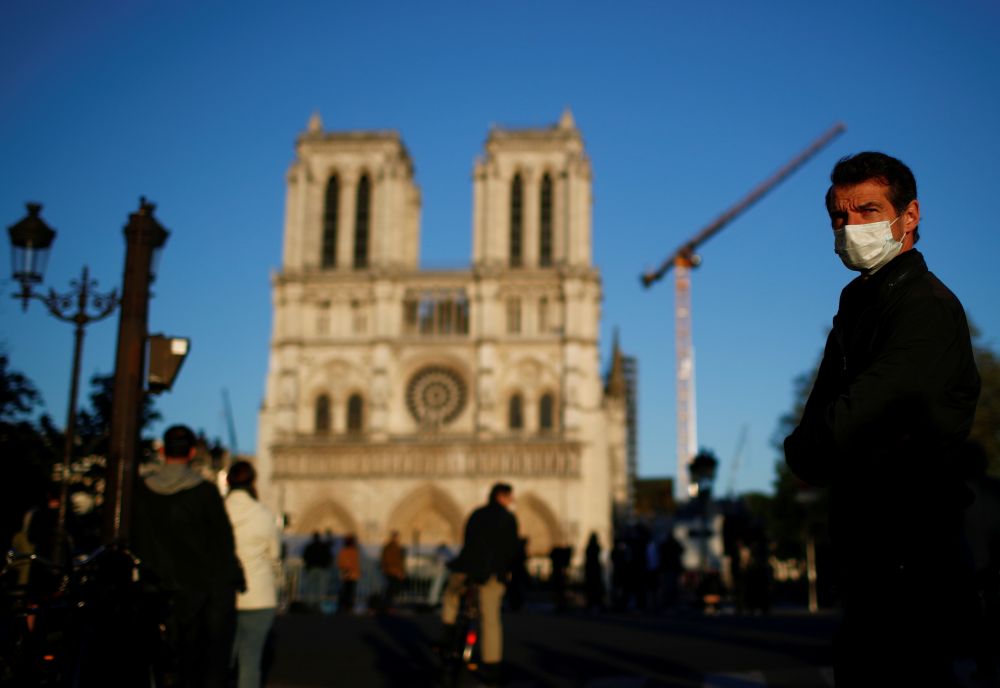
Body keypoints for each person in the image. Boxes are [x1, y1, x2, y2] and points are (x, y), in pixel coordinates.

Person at [783, 152, 981, 686]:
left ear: (908, 216)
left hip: (912, 529)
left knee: (904, 667)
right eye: (840, 217)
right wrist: (809, 443)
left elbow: (874, 399)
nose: (852, 228)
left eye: (868, 211)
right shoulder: (858, 301)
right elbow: (824, 402)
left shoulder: (927, 305)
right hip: (869, 530)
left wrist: (809, 446)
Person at [132, 425, 244, 688]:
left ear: (161, 451)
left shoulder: (141, 491)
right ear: (193, 452)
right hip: (195, 595)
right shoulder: (205, 492)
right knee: (192, 663)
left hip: (152, 590)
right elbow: (223, 544)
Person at [438, 483, 519, 687]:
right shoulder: (508, 519)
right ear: (502, 496)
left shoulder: (476, 514)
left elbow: (467, 541)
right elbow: (511, 551)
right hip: (491, 574)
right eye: (510, 497)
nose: (512, 501)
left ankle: (447, 631)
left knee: (450, 595)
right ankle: (492, 668)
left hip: (467, 569)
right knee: (490, 618)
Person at [225, 461, 280, 688]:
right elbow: (274, 554)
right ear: (253, 482)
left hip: (225, 594)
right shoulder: (264, 515)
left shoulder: (218, 511)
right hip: (259, 596)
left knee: (222, 658)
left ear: (228, 481)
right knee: (251, 659)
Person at [301, 531, 332, 610]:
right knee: (321, 588)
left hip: (311, 569)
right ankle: (319, 604)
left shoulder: (309, 547)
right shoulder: (323, 547)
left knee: (311, 587)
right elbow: (329, 556)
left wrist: (308, 566)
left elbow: (305, 557)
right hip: (322, 569)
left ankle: (310, 604)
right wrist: (326, 565)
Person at [379, 530, 406, 612]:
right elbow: (393, 561)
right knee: (391, 590)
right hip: (392, 572)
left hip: (391, 571)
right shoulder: (392, 548)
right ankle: (388, 606)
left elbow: (398, 561)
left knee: (391, 590)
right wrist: (399, 572)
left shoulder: (391, 547)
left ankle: (388, 606)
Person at [336, 534, 361, 614]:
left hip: (346, 574)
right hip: (353, 575)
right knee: (351, 591)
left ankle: (344, 606)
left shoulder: (344, 551)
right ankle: (349, 607)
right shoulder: (354, 551)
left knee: (345, 590)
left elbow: (340, 563)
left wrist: (345, 570)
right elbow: (356, 564)